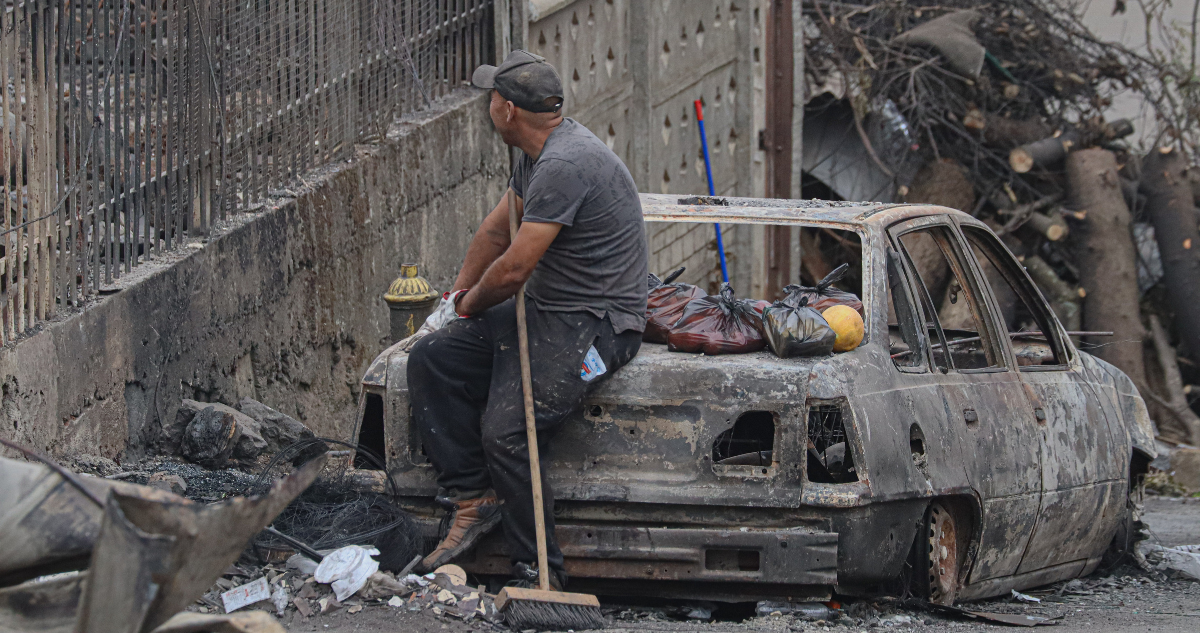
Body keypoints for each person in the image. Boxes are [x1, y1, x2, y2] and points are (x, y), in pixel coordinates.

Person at [404, 50, 648, 589]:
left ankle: (540, 571)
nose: (488, 104)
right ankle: (473, 499)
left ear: (508, 110)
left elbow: (513, 268)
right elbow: (496, 233)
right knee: (432, 359)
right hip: (545, 308)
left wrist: (471, 306)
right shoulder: (533, 153)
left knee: (508, 430)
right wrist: (456, 298)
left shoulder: (564, 164)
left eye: (492, 97)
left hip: (598, 324)